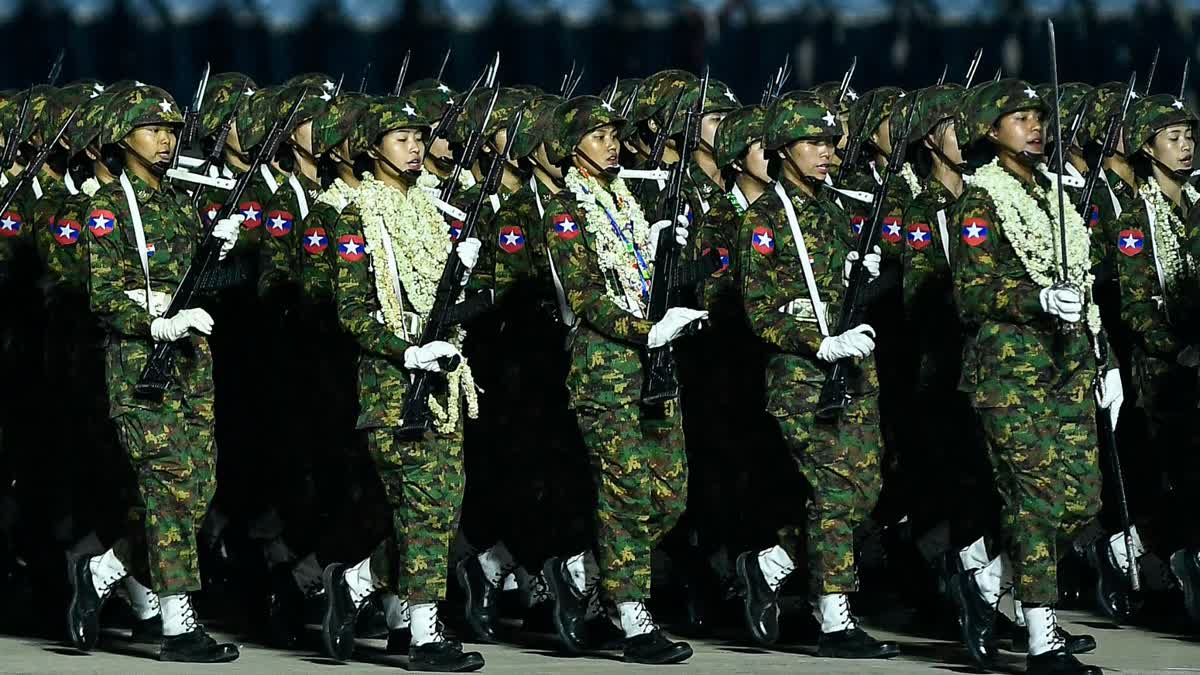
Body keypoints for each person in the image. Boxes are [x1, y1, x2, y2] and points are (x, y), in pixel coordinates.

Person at [66, 84, 243, 663]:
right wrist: (155, 321)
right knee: (169, 490)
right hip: (142, 366)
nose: (165, 140)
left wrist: (220, 255)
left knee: (196, 492)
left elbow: (200, 285)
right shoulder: (108, 207)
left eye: (170, 131)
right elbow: (103, 295)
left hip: (192, 367)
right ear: (123, 137)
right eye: (152, 130)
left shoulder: (179, 201)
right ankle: (176, 622)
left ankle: (103, 570)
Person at [950, 79, 1116, 675]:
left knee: (1082, 498)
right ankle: (1043, 639)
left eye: (1039, 117)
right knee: (1037, 504)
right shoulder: (978, 199)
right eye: (1019, 119)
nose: (1035, 128)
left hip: (1068, 367)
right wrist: (1037, 298)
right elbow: (971, 294)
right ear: (991, 132)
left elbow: (1085, 279)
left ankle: (987, 581)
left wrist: (1106, 359)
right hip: (1010, 373)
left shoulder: (1055, 194)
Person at [318, 96, 486, 673]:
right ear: (371, 148)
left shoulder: (434, 211)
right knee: (424, 508)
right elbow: (354, 310)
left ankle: (358, 581)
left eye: (419, 137)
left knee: (440, 507)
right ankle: (421, 634)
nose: (415, 147)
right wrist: (406, 350)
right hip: (394, 384)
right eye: (400, 138)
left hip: (443, 379)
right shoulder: (354, 214)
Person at [734, 89, 896, 660]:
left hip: (853, 372)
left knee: (864, 490)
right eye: (813, 142)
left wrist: (868, 275)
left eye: (830, 141)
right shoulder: (765, 218)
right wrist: (819, 342)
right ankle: (834, 619)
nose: (826, 152)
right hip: (804, 376)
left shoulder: (834, 209)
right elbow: (760, 309)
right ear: (783, 148)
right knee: (833, 493)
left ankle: (770, 565)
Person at [540, 95, 700, 665]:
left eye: (615, 133)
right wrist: (647, 330)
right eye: (599, 134)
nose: (613, 144)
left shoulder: (629, 200)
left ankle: (581, 571)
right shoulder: (565, 209)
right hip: (606, 370)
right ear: (570, 146)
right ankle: (633, 619)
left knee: (671, 494)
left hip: (654, 367)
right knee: (627, 496)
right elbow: (584, 296)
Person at [1112, 94, 1200, 625]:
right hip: (1167, 367)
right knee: (1177, 471)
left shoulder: (1197, 206)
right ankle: (1175, 561)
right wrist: (1181, 350)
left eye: (1189, 135)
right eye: (1172, 137)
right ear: (1147, 147)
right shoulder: (1134, 218)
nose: (1186, 146)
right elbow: (1136, 305)